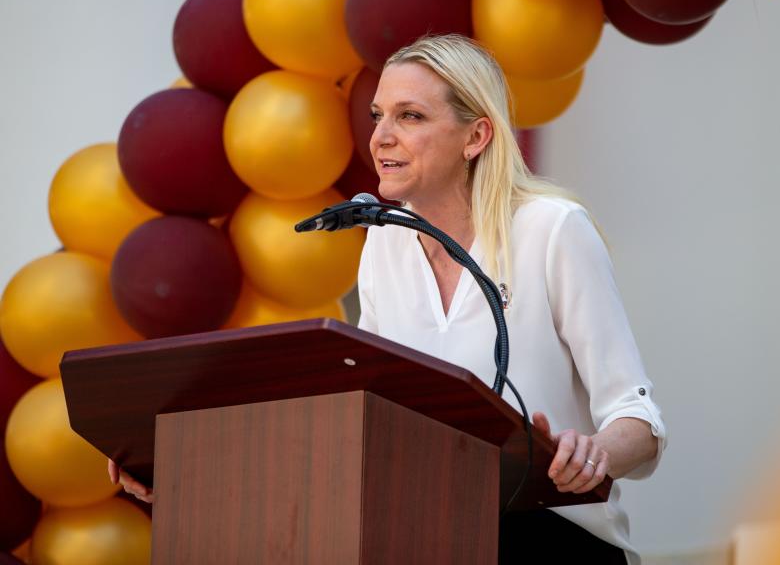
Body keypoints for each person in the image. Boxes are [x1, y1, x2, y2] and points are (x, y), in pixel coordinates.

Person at [110, 34, 666, 563]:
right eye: (378, 115)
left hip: (552, 537)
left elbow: (637, 420)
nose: (380, 137)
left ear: (476, 137)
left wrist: (591, 455)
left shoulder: (551, 229)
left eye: (411, 116)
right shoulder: (384, 240)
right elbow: (360, 424)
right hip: (428, 533)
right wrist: (193, 471)